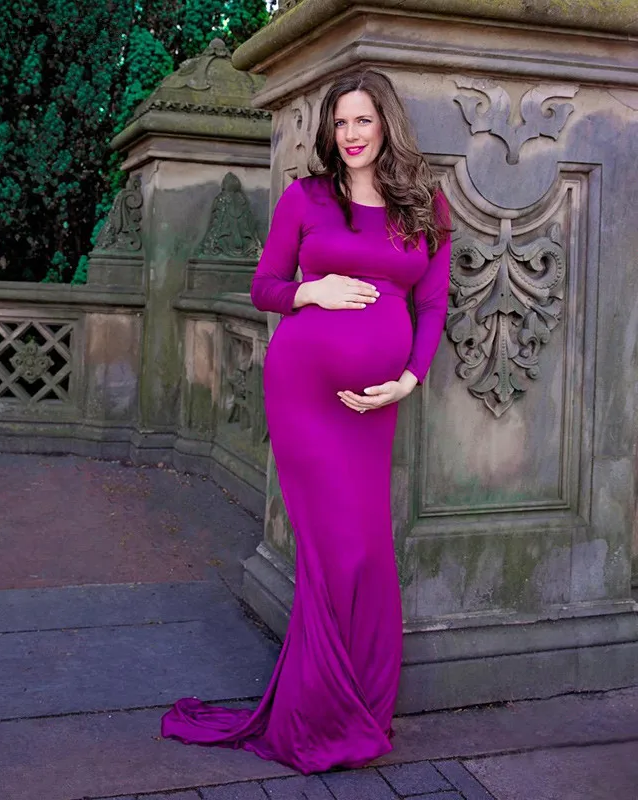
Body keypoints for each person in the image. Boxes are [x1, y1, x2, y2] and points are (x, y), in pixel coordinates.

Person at [161, 68, 452, 775]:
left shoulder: (425, 206)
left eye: (362, 121)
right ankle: (319, 720)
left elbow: (434, 306)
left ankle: (362, 705)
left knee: (367, 551)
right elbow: (265, 286)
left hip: (372, 402)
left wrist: (407, 381)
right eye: (340, 123)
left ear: (386, 124)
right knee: (329, 555)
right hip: (302, 394)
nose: (350, 135)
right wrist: (311, 289)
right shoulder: (305, 198)